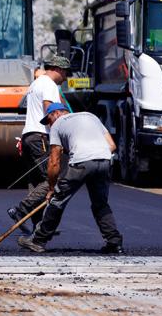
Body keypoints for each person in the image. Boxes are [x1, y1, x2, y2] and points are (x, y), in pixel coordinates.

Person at [18, 103, 123, 254]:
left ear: (56, 113)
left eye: (48, 120)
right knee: (100, 204)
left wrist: (51, 188)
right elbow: (112, 145)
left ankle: (37, 241)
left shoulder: (58, 125)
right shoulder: (90, 116)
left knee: (57, 201)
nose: (49, 125)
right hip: (105, 161)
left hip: (81, 163)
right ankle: (114, 242)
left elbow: (54, 161)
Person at [7, 55, 70, 231]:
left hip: (29, 136)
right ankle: (20, 209)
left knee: (35, 182)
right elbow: (49, 111)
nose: (66, 77)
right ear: (58, 69)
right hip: (41, 136)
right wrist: (62, 136)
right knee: (51, 179)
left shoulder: (36, 83)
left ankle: (37, 225)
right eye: (65, 72)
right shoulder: (49, 85)